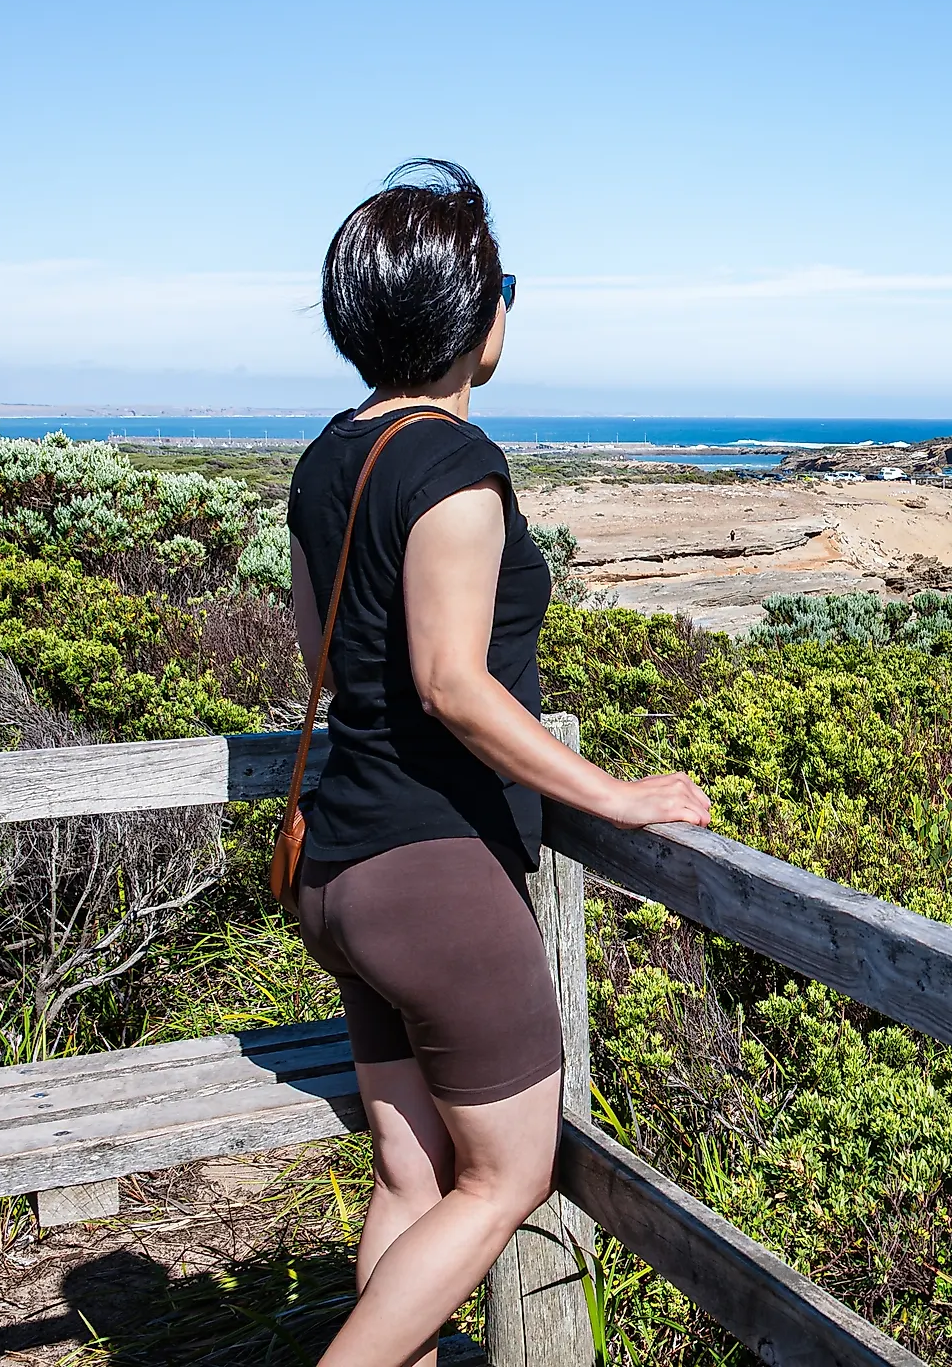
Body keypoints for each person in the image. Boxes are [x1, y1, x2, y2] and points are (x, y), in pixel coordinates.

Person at [287, 160, 711, 1367]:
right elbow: (450, 682)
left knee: (415, 1174)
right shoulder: (459, 473)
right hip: (436, 882)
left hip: (340, 867)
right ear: (476, 315)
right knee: (509, 1174)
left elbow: (331, 650)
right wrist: (617, 796)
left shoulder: (329, 455)